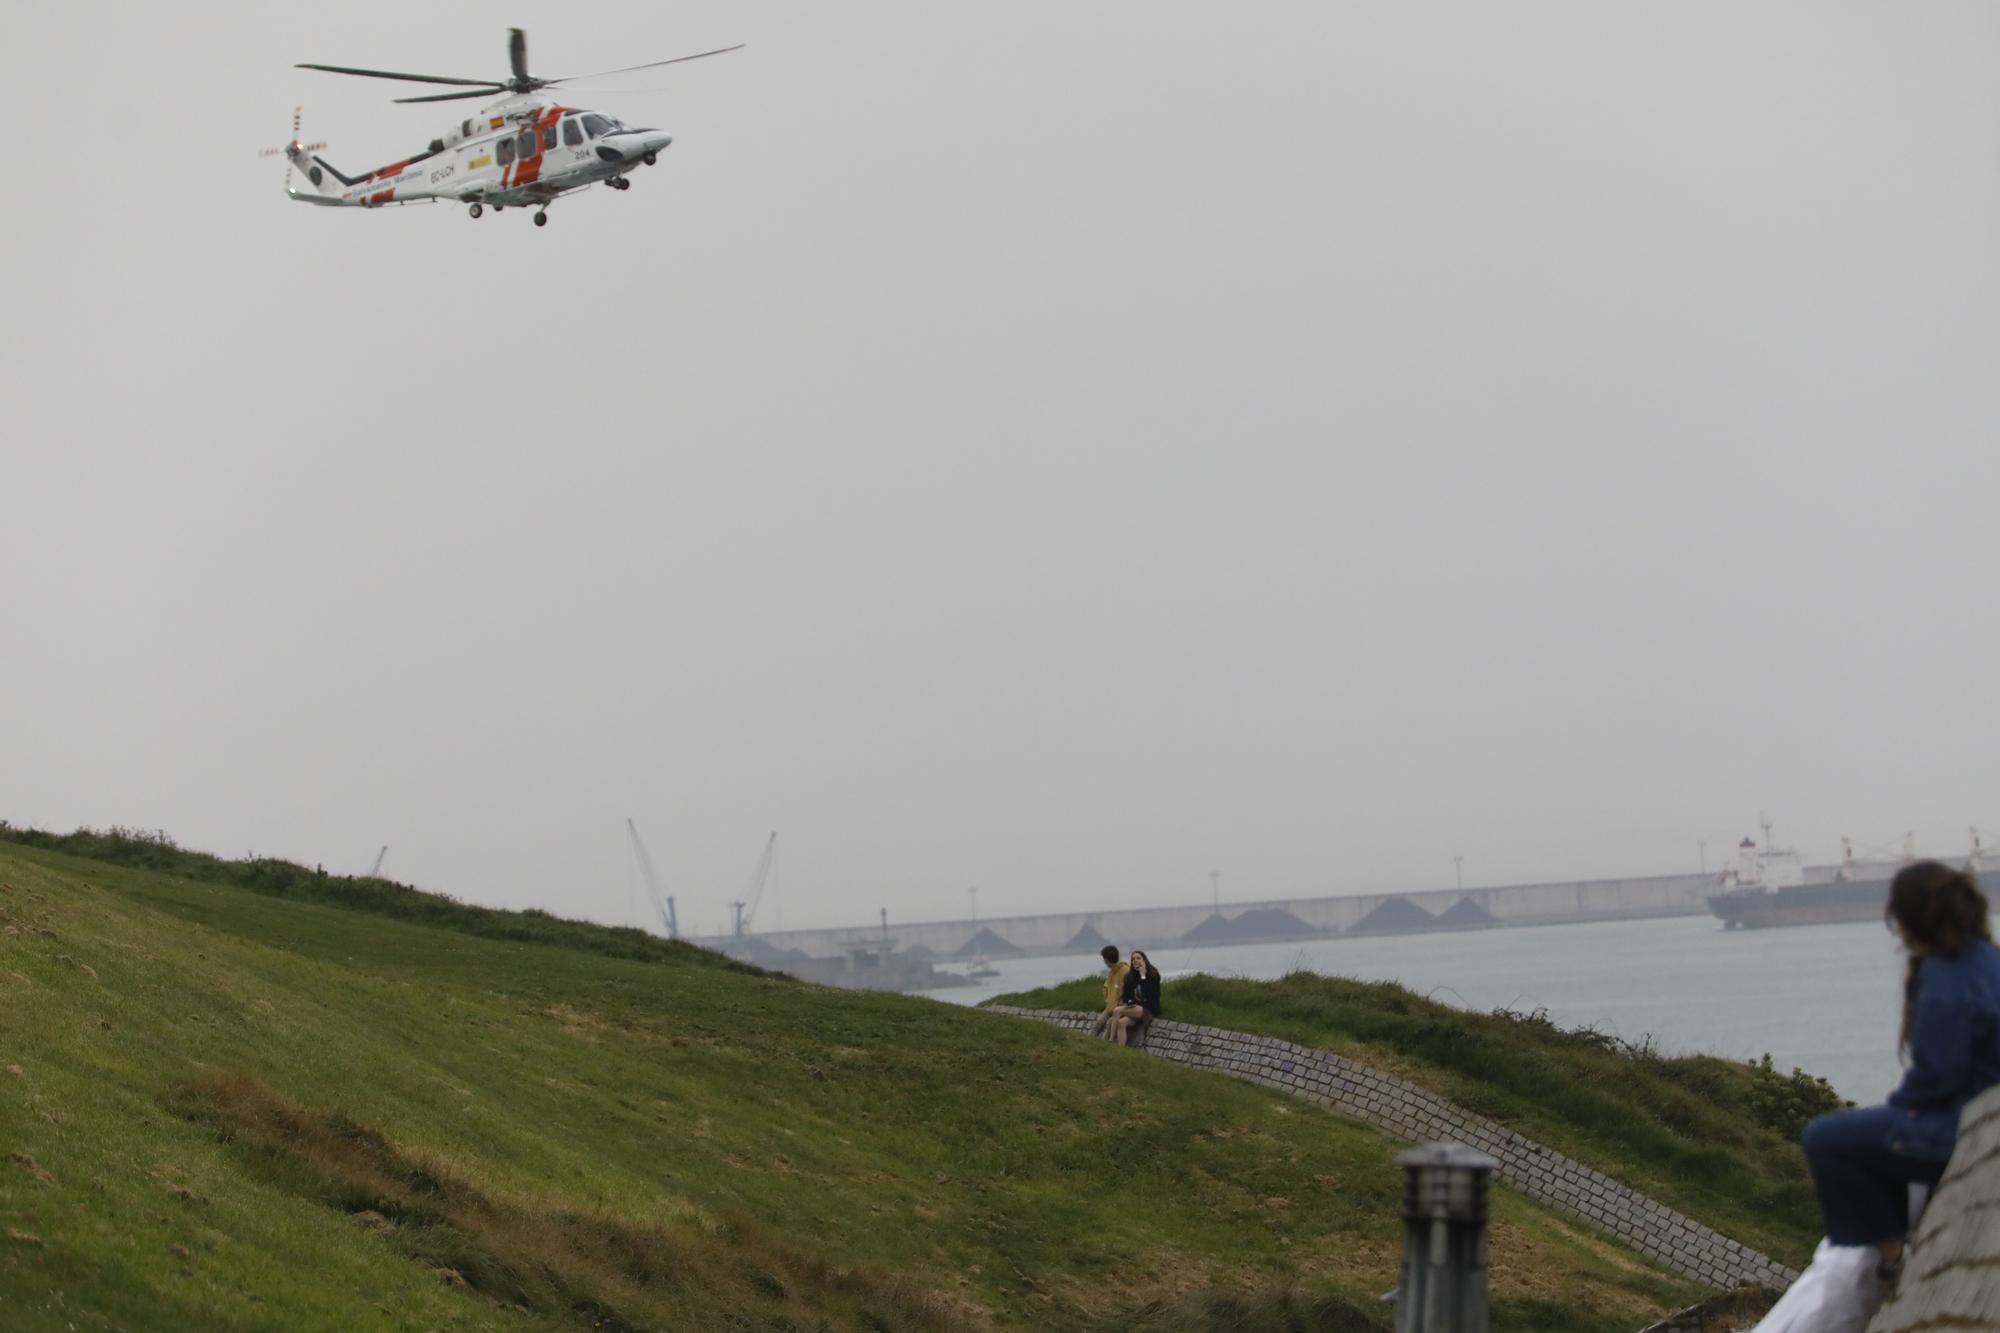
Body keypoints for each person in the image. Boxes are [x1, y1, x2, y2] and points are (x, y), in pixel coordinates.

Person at [1756, 861, 2000, 1332]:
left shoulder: (1946, 979)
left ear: (1907, 921)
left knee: (1827, 1138)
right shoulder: (1985, 961)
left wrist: (1901, 1106)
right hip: (1978, 1116)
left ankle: (1887, 1254)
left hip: (1957, 1128)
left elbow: (1935, 1077)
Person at [1111, 950, 1162, 1046]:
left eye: (1138, 958)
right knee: (1121, 1023)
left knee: (1117, 1010)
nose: (1135, 960)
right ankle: (1119, 1049)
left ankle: (1110, 1041)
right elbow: (1126, 996)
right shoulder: (1130, 976)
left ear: (1144, 960)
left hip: (1148, 1009)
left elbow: (1148, 993)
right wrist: (1129, 1002)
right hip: (1135, 1008)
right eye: (1133, 959)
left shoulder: (1153, 974)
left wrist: (1143, 976)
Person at [1095, 946, 1130, 1040]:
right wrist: (1108, 1000)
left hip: (1121, 1008)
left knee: (1109, 1025)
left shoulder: (1125, 971)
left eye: (1104, 959)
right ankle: (1086, 1043)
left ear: (1107, 960)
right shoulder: (1112, 971)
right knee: (1098, 1024)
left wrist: (1119, 1005)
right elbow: (1106, 987)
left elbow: (1127, 992)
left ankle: (1103, 1046)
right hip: (1110, 1007)